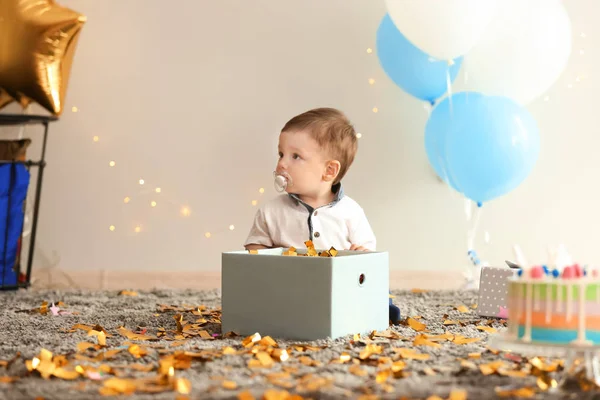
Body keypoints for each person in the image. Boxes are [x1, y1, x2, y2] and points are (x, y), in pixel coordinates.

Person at [243, 107, 401, 324]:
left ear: (329, 171)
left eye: (295, 156)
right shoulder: (271, 211)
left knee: (376, 286)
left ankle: (377, 309)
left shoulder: (350, 211)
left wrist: (359, 254)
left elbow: (368, 257)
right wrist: (269, 261)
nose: (281, 163)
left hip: (338, 286)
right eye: (281, 154)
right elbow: (253, 252)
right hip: (290, 287)